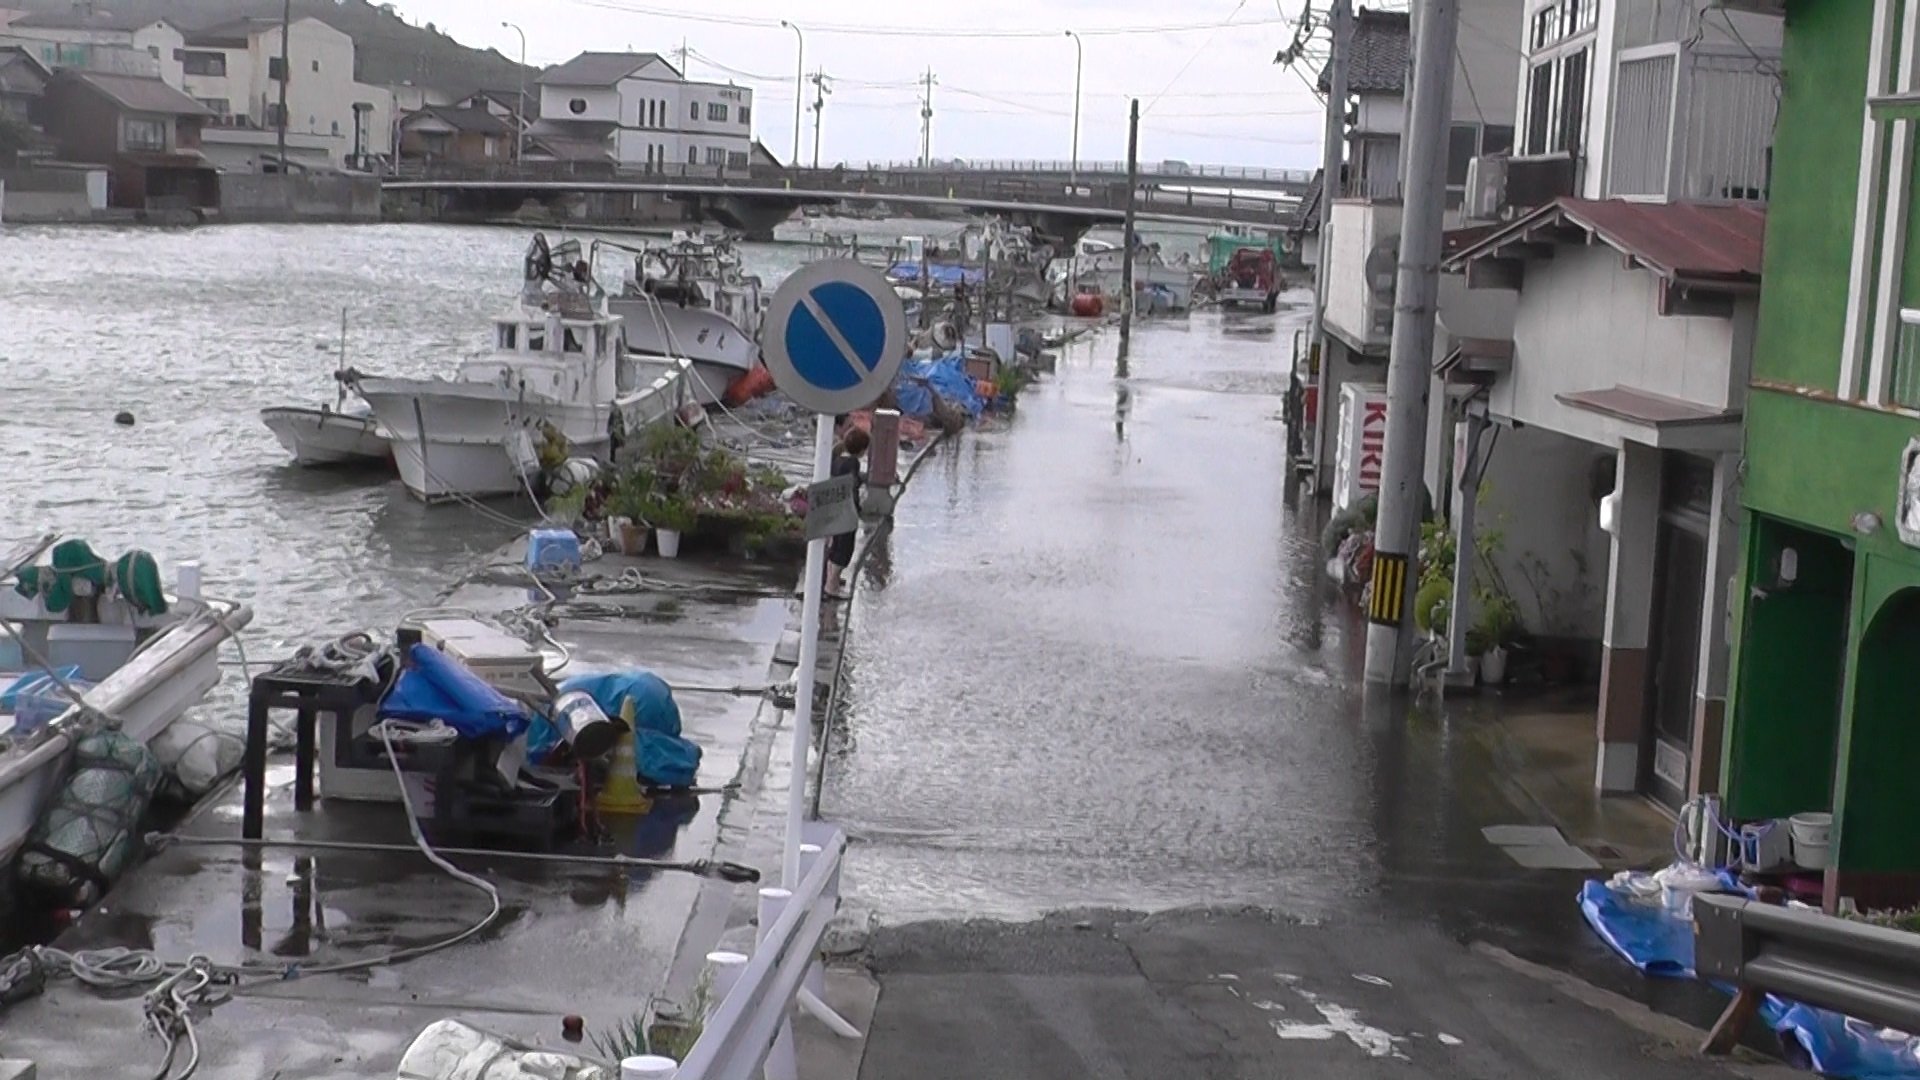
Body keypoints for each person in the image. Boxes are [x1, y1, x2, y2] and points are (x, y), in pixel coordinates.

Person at [823, 427, 869, 601]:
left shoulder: (837, 460)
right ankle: (832, 586)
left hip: (835, 509)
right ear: (861, 449)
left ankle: (832, 580)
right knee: (844, 549)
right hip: (846, 511)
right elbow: (852, 485)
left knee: (836, 546)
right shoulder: (852, 464)